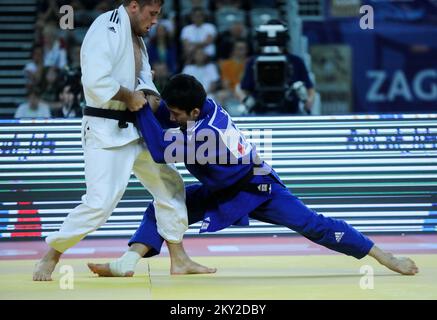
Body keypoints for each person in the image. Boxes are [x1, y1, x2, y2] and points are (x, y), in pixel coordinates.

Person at [88, 74, 419, 277]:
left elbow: (160, 150)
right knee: (163, 204)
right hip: (223, 186)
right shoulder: (198, 108)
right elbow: (166, 114)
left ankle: (385, 257)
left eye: (176, 115)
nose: (170, 118)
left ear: (193, 113)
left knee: (313, 225)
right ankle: (127, 262)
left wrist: (141, 107)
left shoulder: (208, 134)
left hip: (256, 186)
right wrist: (149, 99)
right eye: (170, 113)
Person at [33, 0, 214, 282]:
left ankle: (179, 259)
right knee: (100, 204)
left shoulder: (135, 37)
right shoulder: (105, 28)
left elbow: (142, 77)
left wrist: (150, 94)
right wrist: (130, 96)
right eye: (152, 14)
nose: (155, 21)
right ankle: (52, 254)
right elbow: (95, 80)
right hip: (106, 129)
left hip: (137, 129)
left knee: (170, 185)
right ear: (133, 6)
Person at [240, 20, 316, 115]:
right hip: (260, 112)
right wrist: (246, 101)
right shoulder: (253, 62)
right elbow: (244, 89)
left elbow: (309, 88)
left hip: (291, 112)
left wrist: (308, 101)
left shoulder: (296, 61)